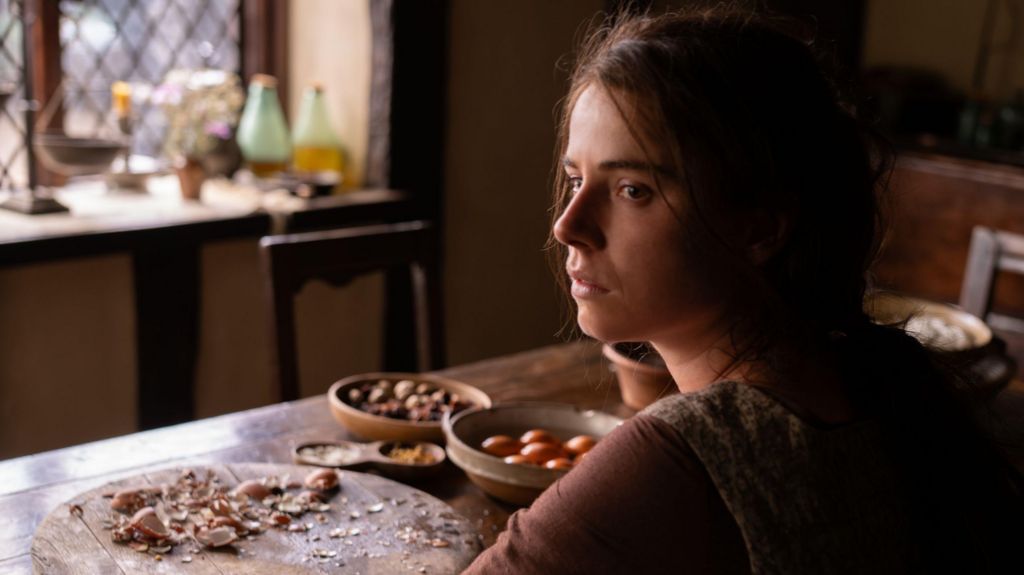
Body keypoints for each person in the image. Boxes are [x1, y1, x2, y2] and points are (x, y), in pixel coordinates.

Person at [464, 7, 1022, 574]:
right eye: (577, 179)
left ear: (759, 227)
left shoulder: (682, 457)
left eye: (634, 189)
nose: (568, 224)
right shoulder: (873, 378)